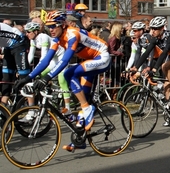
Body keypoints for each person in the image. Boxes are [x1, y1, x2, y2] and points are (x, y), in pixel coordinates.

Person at [14, 10, 111, 151]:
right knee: (84, 97)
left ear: (62, 25)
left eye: (54, 26)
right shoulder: (56, 39)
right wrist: (28, 78)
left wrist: (46, 78)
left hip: (102, 57)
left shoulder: (72, 34)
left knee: (68, 74)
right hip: (89, 60)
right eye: (49, 26)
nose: (51, 29)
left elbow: (65, 60)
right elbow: (45, 61)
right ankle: (80, 139)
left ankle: (87, 109)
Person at [131, 17, 170, 108]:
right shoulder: (155, 39)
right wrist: (135, 67)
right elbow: (146, 53)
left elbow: (165, 52)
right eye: (152, 28)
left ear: (162, 28)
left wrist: (154, 69)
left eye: (156, 28)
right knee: (166, 87)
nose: (153, 31)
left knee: (164, 66)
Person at [19, 22, 75, 122]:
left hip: (61, 57)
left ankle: (68, 109)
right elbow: (30, 55)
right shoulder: (33, 40)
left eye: (28, 32)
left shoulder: (43, 37)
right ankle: (46, 98)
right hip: (53, 60)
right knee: (38, 76)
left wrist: (36, 69)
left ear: (35, 32)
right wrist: (25, 69)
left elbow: (44, 58)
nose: (26, 34)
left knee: (62, 81)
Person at [0, 20, 31, 107]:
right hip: (8, 47)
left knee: (23, 76)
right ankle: (3, 108)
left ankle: (32, 109)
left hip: (19, 44)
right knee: (6, 78)